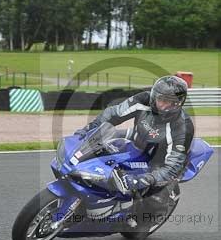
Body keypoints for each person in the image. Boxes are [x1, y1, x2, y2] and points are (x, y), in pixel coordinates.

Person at [75, 75, 194, 231]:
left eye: (169, 102)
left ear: (178, 104)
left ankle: (144, 220)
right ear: (153, 95)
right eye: (160, 99)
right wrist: (90, 129)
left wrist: (143, 180)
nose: (162, 105)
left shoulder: (182, 126)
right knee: (100, 144)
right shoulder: (143, 100)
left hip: (160, 161)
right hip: (137, 139)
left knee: (154, 197)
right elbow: (114, 113)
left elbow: (173, 166)